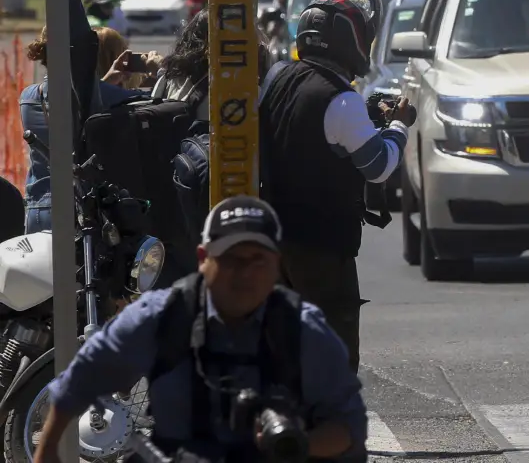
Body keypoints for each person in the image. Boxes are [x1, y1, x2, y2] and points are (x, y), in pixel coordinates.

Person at [32, 197, 368, 463]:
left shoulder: (303, 330)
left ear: (277, 263)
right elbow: (79, 382)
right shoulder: (160, 317)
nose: (245, 274)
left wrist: (294, 442)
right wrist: (47, 452)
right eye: (232, 259)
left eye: (258, 260)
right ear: (203, 258)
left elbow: (348, 427)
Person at [258, 0, 416, 372]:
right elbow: (378, 167)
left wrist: (369, 115)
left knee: (284, 350)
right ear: (354, 40)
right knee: (334, 358)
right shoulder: (341, 99)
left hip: (274, 237)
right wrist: (399, 125)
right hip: (321, 247)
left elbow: (304, 127)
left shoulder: (278, 76)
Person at [18, 27, 159, 234]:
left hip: (37, 210)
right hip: (79, 213)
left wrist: (105, 82)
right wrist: (160, 70)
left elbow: (79, 102)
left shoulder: (28, 97)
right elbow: (162, 104)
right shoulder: (110, 97)